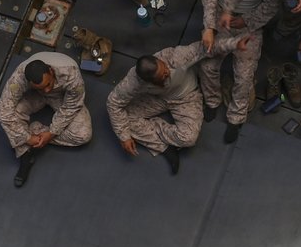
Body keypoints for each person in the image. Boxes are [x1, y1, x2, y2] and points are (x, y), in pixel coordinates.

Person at [107, 35, 251, 175]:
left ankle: (158, 132)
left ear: (160, 61)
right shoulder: (134, 82)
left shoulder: (176, 57)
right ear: (148, 82)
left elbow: (205, 46)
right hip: (159, 99)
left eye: (165, 70)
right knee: (123, 123)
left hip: (187, 96)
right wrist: (124, 137)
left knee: (188, 138)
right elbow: (113, 103)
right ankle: (164, 149)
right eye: (161, 77)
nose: (167, 75)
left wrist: (234, 43)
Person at [198, 0, 280, 144]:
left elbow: (271, 6)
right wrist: (209, 27)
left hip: (247, 24)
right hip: (221, 20)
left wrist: (246, 20)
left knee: (244, 77)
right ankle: (211, 101)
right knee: (207, 65)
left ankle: (236, 117)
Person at [0, 52, 93, 187]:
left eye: (49, 84)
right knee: (11, 115)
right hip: (34, 95)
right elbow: (3, 111)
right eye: (43, 87)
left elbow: (72, 105)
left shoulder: (71, 74)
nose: (47, 90)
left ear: (51, 71)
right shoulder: (18, 78)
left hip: (62, 97)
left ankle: (36, 134)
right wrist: (26, 138)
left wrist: (51, 132)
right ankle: (26, 155)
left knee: (83, 135)